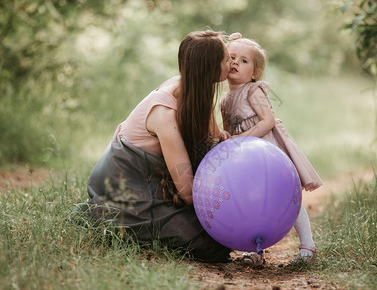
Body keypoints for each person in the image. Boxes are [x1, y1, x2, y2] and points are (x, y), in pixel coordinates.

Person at [77, 30, 233, 263]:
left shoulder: (194, 89)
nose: (231, 62)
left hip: (150, 184)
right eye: (227, 58)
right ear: (210, 68)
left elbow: (216, 139)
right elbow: (188, 193)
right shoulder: (164, 114)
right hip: (126, 187)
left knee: (220, 228)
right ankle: (103, 216)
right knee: (213, 243)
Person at [219, 33, 323, 265]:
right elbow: (230, 132)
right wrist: (227, 138)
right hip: (246, 158)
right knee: (253, 201)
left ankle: (308, 245)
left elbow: (267, 121)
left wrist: (239, 140)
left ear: (255, 73)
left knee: (286, 196)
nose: (236, 62)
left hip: (267, 151)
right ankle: (256, 250)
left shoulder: (253, 91)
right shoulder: (225, 101)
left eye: (244, 61)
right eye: (232, 57)